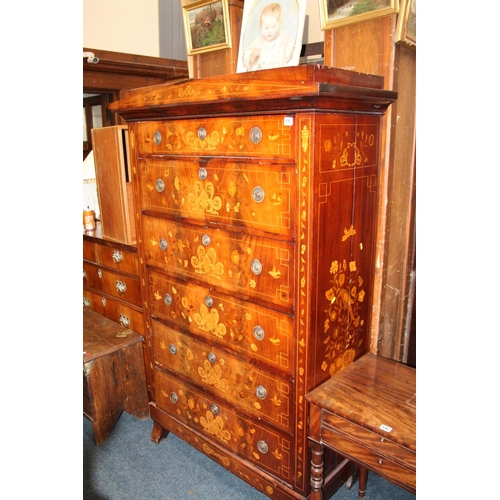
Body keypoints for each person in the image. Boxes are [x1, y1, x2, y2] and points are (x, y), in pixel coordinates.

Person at [241, 2, 295, 71]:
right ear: (260, 28)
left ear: (279, 25)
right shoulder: (257, 43)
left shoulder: (282, 40)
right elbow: (246, 59)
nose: (270, 31)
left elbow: (290, 55)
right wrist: (252, 57)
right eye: (266, 28)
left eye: (273, 27)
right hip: (260, 76)